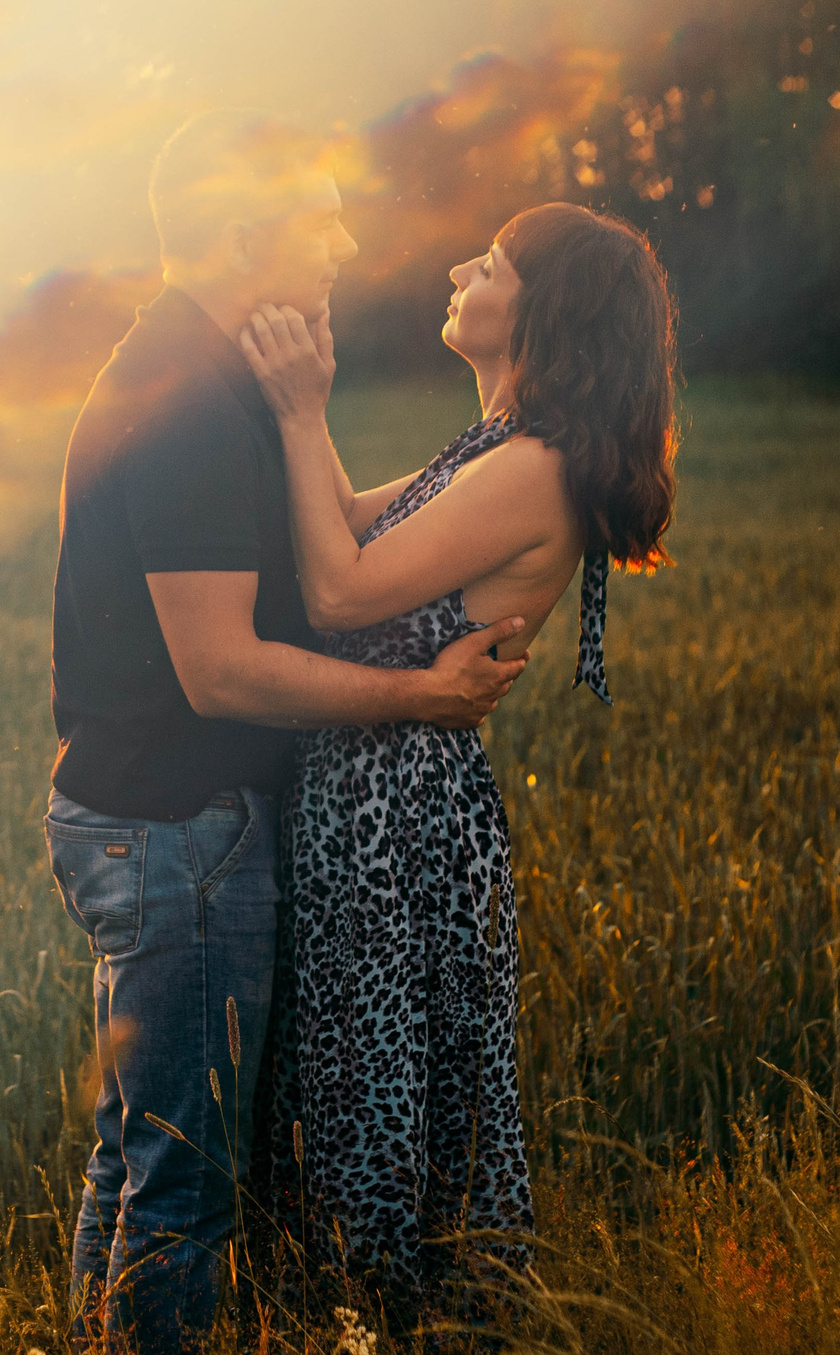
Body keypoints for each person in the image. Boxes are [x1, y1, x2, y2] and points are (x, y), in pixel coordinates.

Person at [46, 112, 530, 1354]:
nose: (345, 241)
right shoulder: (188, 404)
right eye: (316, 218)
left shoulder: (215, 378)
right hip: (177, 832)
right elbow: (220, 671)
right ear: (237, 233)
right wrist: (419, 697)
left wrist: (463, 481)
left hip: (153, 825)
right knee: (185, 1190)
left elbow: (325, 540)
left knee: (135, 1158)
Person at [238, 201, 679, 1318]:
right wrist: (305, 410)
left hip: (397, 820)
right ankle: (361, 1317)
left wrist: (301, 409)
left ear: (543, 309)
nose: (456, 267)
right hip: (381, 802)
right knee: (360, 1081)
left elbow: (334, 592)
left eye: (486, 262)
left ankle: (369, 1320)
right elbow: (336, 522)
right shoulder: (493, 451)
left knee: (373, 1087)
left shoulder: (532, 471)